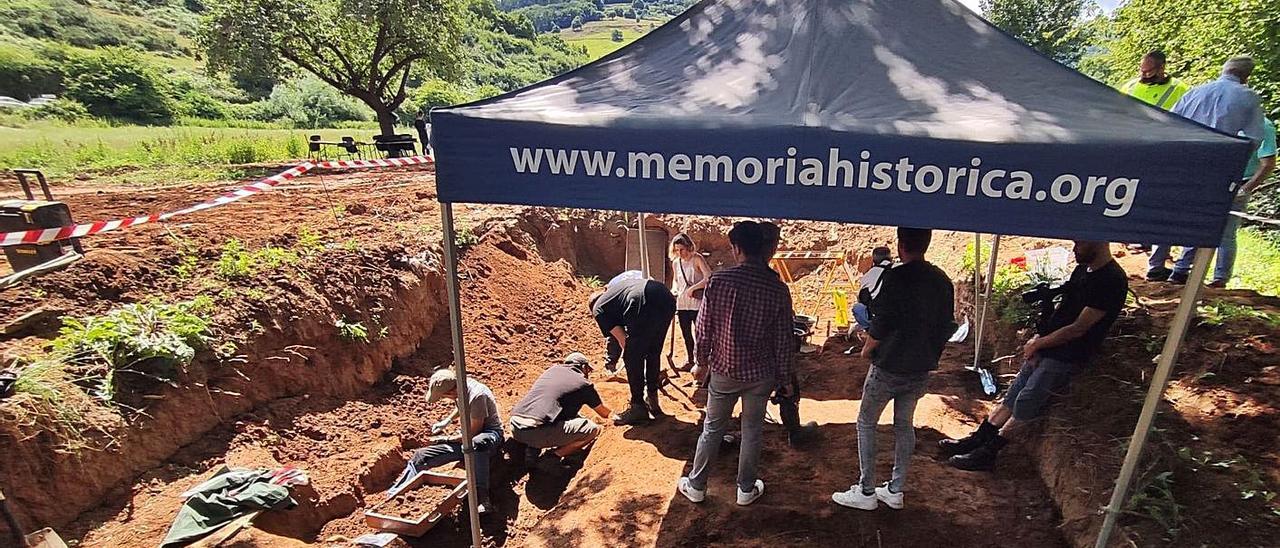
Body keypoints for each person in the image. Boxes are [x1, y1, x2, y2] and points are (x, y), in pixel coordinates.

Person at [942, 241, 1128, 471]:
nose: (1074, 248)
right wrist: (1038, 341)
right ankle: (978, 438)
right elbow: (1064, 312)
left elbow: (1079, 328)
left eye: (1079, 243)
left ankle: (989, 452)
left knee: (1028, 401)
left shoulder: (1111, 281)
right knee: (1014, 394)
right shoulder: (1083, 270)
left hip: (1069, 354)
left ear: (1097, 242)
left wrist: (1040, 343)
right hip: (1049, 346)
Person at [832, 228, 954, 511]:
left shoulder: (896, 278)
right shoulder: (941, 280)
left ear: (900, 246)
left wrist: (866, 349)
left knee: (866, 422)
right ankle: (896, 490)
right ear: (927, 243)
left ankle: (865, 490)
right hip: (920, 367)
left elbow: (882, 321)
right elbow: (947, 325)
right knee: (904, 424)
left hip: (889, 366)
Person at [676, 221, 794, 507]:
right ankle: (745, 489)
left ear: (737, 248)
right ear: (766, 247)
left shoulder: (720, 281)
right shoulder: (778, 289)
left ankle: (697, 485)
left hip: (725, 369)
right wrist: (786, 378)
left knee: (713, 428)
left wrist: (701, 361)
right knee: (753, 429)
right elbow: (784, 340)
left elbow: (703, 328)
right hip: (761, 374)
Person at [1148, 56, 1266, 283]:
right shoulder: (1247, 96)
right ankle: (1182, 269)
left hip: (1183, 161)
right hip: (1217, 165)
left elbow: (1169, 123)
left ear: (1225, 70)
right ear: (1246, 77)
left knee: (1169, 213)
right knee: (1203, 215)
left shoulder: (1194, 92)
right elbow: (1254, 138)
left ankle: (1156, 265)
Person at [392, 369, 503, 513]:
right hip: (466, 439)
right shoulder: (460, 389)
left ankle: (483, 498)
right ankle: (396, 493)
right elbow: (463, 407)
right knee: (421, 456)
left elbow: (472, 433)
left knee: (475, 445)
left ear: (451, 392)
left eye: (445, 397)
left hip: (488, 434)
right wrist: (447, 421)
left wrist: (442, 439)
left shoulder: (477, 395)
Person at [760, 221, 819, 447]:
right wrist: (785, 377)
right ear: (772, 247)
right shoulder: (775, 285)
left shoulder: (724, 280)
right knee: (788, 389)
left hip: (732, 361)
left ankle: (725, 433)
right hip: (766, 357)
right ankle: (794, 432)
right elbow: (783, 334)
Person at [590, 276, 676, 425]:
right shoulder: (615, 295)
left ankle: (638, 407)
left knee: (632, 356)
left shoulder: (599, 310)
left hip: (641, 300)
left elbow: (624, 343)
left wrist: (631, 357)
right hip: (665, 295)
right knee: (653, 351)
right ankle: (653, 400)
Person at [510, 353, 613, 471]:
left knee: (549, 417)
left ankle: (532, 451)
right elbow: (604, 413)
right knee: (591, 429)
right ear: (583, 367)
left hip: (515, 426)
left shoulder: (551, 371)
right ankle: (552, 458)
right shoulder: (583, 384)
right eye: (588, 370)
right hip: (535, 432)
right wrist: (617, 417)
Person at [670, 233, 712, 372]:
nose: (679, 253)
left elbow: (708, 277)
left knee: (700, 333)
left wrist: (694, 288)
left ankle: (702, 361)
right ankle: (690, 359)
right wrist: (674, 291)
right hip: (682, 303)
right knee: (686, 333)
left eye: (681, 249)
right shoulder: (676, 263)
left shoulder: (697, 259)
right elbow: (675, 281)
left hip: (697, 303)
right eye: (677, 250)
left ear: (688, 247)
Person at [1119, 50, 1190, 110]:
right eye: (1141, 71)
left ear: (1162, 68)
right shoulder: (1129, 86)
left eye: (1148, 72)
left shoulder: (1180, 89)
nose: (1143, 75)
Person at [852, 246, 893, 331]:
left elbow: (862, 298)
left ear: (873, 260)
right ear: (890, 258)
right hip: (903, 316)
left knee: (857, 308)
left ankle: (869, 332)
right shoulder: (901, 268)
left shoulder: (868, 275)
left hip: (881, 319)